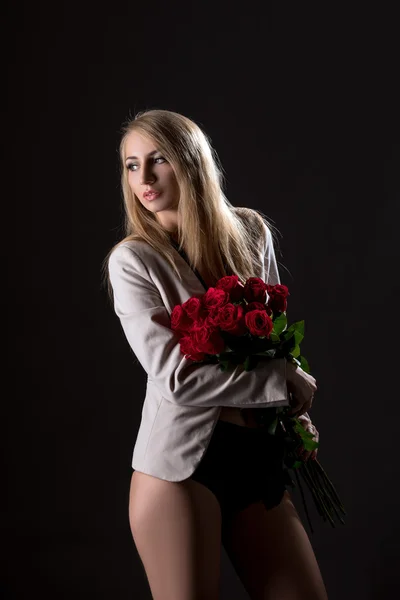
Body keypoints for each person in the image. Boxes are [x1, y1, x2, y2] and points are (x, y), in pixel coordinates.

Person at [103, 109, 328, 600]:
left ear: (190, 160)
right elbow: (177, 381)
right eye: (131, 165)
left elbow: (269, 338)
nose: (144, 177)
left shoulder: (251, 233)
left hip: (258, 461)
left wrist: (288, 416)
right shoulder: (133, 260)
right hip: (180, 473)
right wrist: (281, 379)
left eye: (157, 160)